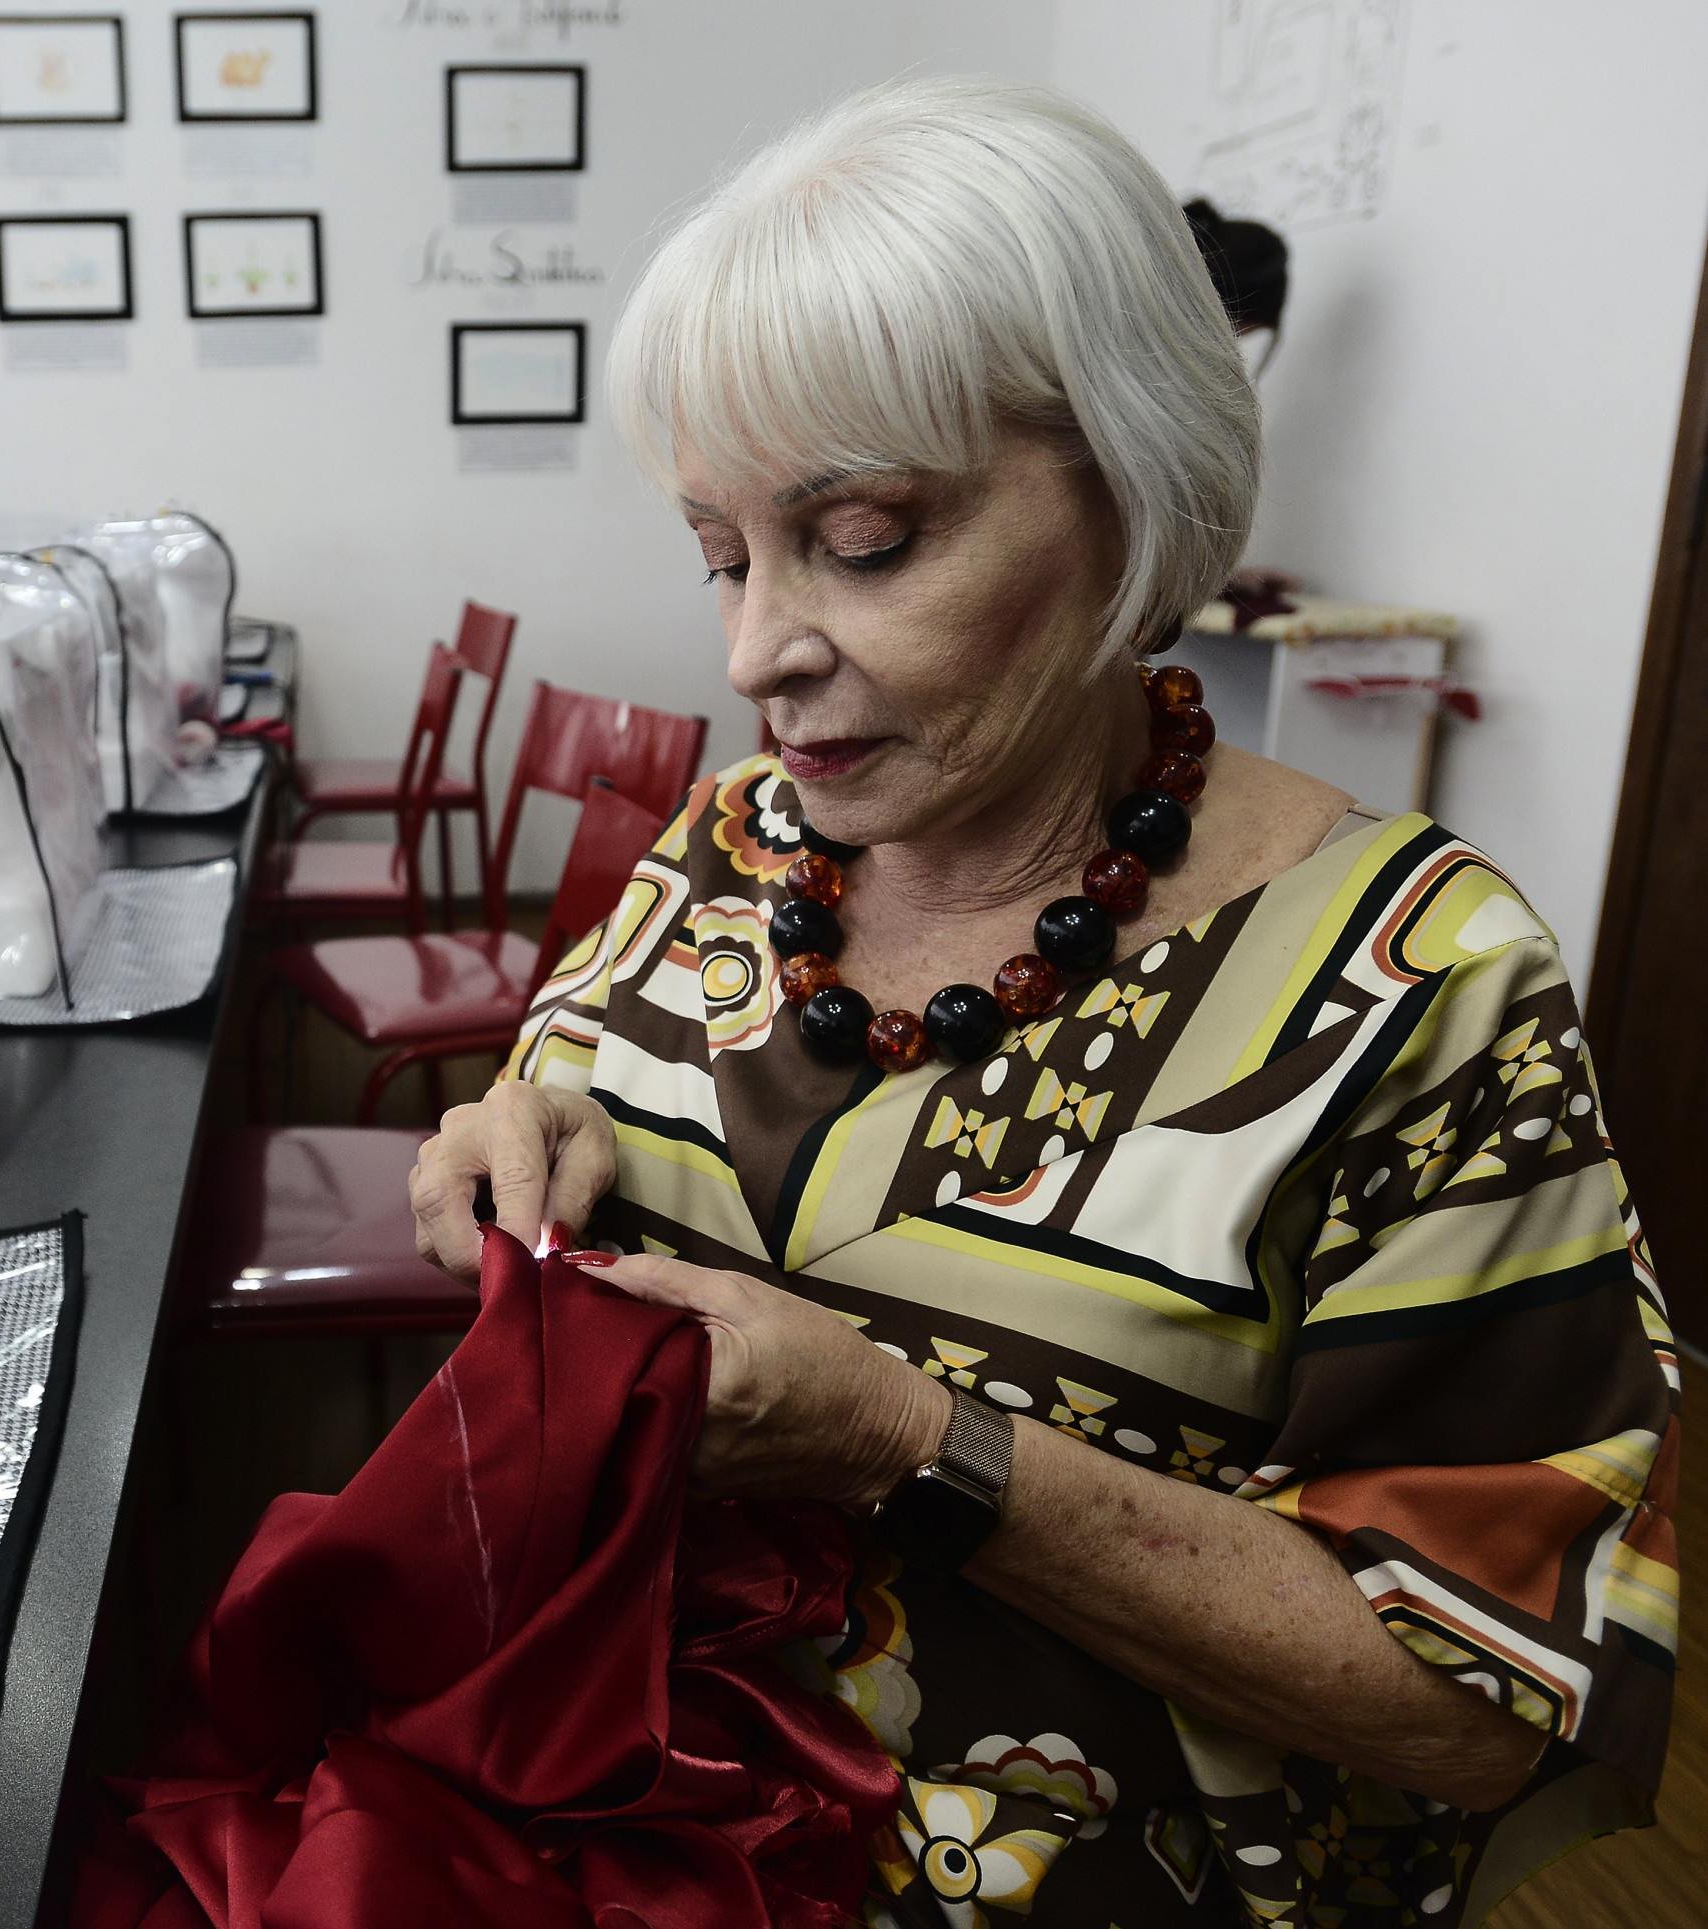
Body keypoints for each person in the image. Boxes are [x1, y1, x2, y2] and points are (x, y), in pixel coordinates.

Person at [409, 78, 1673, 1926]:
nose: (757, 647)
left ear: (1131, 478)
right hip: (606, 1844)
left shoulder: (1419, 988)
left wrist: (904, 1440)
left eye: (862, 540)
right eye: (723, 552)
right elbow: (567, 1087)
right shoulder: (728, 843)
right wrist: (508, 1145)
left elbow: (1484, 1696)